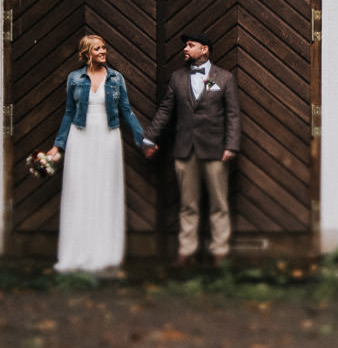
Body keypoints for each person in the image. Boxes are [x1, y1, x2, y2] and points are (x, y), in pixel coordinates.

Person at [143, 31, 242, 266]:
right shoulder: (177, 78)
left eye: (190, 45)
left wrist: (231, 145)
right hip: (185, 149)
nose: (185, 49)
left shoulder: (224, 78)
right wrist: (149, 138)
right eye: (186, 46)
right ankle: (186, 251)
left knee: (219, 204)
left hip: (216, 150)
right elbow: (165, 110)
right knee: (188, 204)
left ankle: (219, 251)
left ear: (204, 49)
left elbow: (233, 115)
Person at [49, 34, 146, 274]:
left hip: (107, 136)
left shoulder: (116, 78)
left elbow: (126, 110)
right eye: (97, 49)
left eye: (104, 47)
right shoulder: (74, 78)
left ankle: (105, 252)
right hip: (80, 136)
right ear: (86, 53)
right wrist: (57, 145)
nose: (103, 51)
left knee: (104, 189)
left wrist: (142, 139)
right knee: (80, 190)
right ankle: (77, 252)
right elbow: (69, 112)